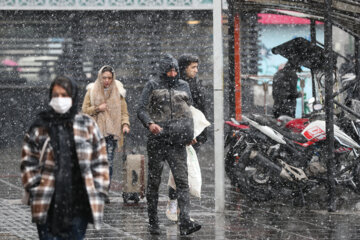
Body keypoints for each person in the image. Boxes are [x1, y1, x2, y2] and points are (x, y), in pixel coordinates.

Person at [20, 76, 109, 240]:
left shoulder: (86, 125)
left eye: (64, 95)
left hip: (78, 205)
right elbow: (28, 162)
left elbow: (100, 162)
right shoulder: (40, 125)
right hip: (47, 203)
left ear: (73, 97)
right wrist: (35, 189)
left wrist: (98, 190)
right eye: (56, 95)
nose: (60, 100)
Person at [137, 53, 201, 235]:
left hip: (178, 141)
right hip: (157, 141)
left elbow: (190, 111)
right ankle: (153, 219)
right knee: (154, 181)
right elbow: (141, 109)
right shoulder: (152, 85)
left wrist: (192, 133)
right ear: (163, 71)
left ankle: (185, 220)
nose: (172, 74)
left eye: (175, 71)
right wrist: (150, 123)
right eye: (169, 71)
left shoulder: (184, 86)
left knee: (182, 181)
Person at [166, 54, 208, 221]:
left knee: (182, 173)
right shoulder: (180, 86)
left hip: (194, 134)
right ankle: (177, 207)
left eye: (197, 67)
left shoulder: (195, 84)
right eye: (193, 67)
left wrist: (200, 133)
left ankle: (179, 208)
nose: (196, 70)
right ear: (184, 68)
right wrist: (188, 133)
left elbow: (201, 110)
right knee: (179, 173)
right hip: (183, 134)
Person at [82, 65, 130, 204]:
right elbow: (84, 110)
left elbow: (124, 112)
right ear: (100, 77)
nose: (107, 80)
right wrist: (98, 108)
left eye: (109, 78)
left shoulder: (118, 92)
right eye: (104, 78)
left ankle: (104, 191)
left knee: (108, 163)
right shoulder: (91, 90)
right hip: (95, 133)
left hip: (111, 134)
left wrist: (125, 124)